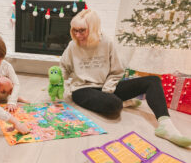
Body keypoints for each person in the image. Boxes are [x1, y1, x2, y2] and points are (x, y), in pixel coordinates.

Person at [60, 9, 191, 147]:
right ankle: (124, 102)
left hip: (106, 86)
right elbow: (64, 68)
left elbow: (117, 71)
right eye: (74, 30)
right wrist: (57, 84)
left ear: (93, 28)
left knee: (153, 81)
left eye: (82, 30)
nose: (77, 34)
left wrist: (108, 88)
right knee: (114, 105)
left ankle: (166, 125)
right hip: (83, 88)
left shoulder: (106, 43)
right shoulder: (73, 45)